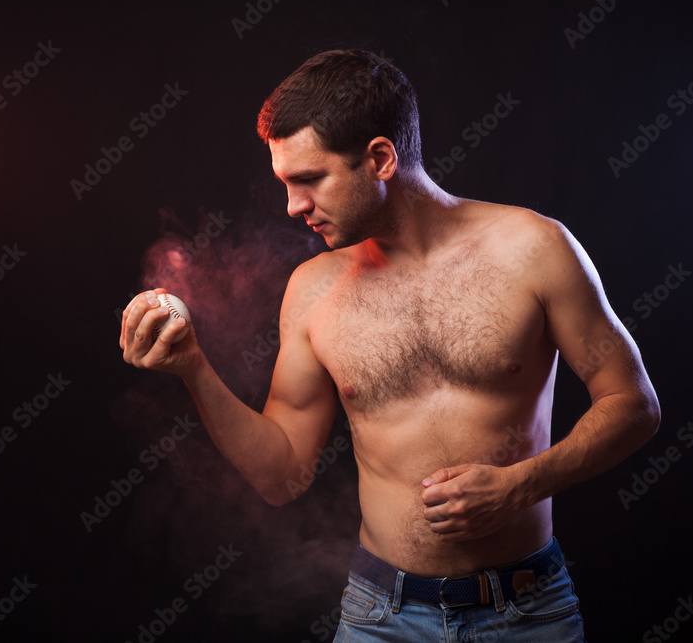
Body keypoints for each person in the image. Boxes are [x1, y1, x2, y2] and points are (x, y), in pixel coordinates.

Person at [120, 49, 660, 642]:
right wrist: (193, 367)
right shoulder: (313, 291)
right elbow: (281, 477)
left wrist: (521, 485)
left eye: (309, 180)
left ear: (379, 158)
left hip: (527, 611)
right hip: (384, 617)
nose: (294, 206)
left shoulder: (533, 249)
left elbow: (633, 405)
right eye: (285, 183)